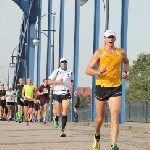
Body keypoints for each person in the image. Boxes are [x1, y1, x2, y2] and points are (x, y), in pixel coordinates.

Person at [85, 30, 129, 150]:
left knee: (115, 116)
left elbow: (126, 62)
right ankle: (97, 135)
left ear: (115, 39)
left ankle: (113, 144)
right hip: (101, 86)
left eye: (112, 37)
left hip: (116, 86)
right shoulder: (100, 52)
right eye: (108, 37)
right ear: (104, 38)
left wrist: (125, 72)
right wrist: (98, 72)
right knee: (100, 117)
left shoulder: (121, 52)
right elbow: (88, 70)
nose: (110, 39)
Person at [48, 58, 74, 137]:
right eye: (62, 62)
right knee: (58, 113)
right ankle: (56, 118)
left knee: (65, 111)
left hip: (65, 92)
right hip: (57, 92)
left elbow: (72, 80)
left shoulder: (70, 72)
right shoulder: (56, 71)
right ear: (60, 63)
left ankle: (62, 130)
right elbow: (49, 81)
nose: (64, 63)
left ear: (67, 63)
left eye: (65, 62)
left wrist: (71, 85)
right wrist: (57, 82)